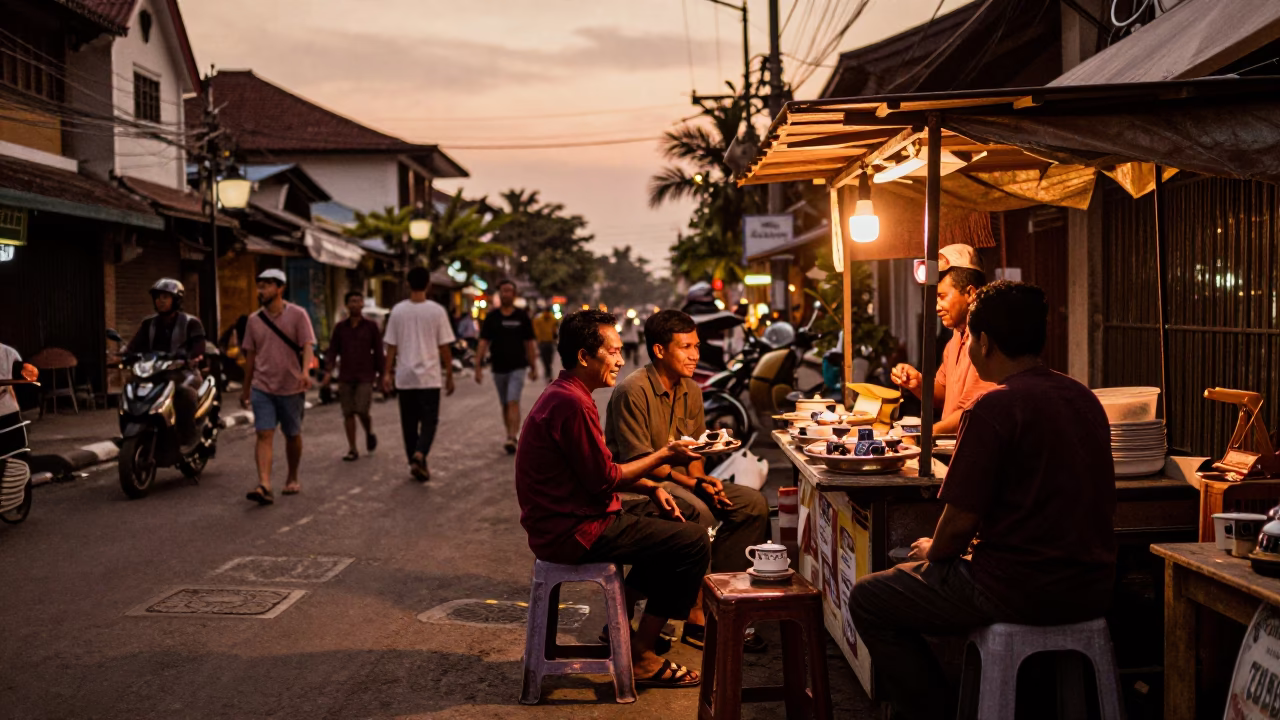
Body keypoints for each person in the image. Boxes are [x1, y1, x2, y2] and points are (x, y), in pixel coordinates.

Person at [848, 282, 1117, 720]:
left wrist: (934, 551)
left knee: (868, 597)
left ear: (985, 341)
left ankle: (937, 712)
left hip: (1014, 589)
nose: (967, 346)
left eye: (970, 337)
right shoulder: (1083, 398)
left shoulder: (993, 408)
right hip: (1093, 588)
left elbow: (959, 522)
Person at [516, 309, 709, 688]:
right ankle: (642, 655)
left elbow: (595, 473)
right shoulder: (572, 403)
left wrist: (652, 486)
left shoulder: (569, 395)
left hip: (575, 516)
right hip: (572, 530)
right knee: (693, 542)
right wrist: (666, 455)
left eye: (621, 350)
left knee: (677, 520)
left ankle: (628, 635)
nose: (621, 360)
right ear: (585, 356)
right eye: (613, 351)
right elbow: (605, 477)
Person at [605, 309, 770, 650]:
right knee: (700, 515)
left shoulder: (692, 390)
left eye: (697, 346)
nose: (695, 354)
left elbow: (696, 454)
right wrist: (692, 485)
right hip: (639, 490)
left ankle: (722, 605)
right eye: (685, 347)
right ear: (660, 350)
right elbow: (639, 464)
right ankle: (695, 616)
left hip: (680, 483)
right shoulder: (632, 391)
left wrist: (704, 481)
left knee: (752, 504)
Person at [890, 244, 996, 434]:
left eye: (942, 296)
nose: (937, 306)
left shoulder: (986, 342)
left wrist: (926, 435)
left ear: (971, 293)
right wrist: (918, 382)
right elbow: (942, 396)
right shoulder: (955, 339)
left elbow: (972, 412)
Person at [241, 268, 315, 505]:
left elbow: (307, 346)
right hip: (262, 387)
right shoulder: (254, 320)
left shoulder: (298, 315)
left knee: (292, 435)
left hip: (291, 387)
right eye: (259, 285)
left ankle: (292, 476)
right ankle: (264, 484)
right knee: (264, 433)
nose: (261, 290)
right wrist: (245, 389)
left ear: (280, 288)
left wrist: (305, 372)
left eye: (267, 285)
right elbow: (250, 357)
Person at [383, 266, 455, 482]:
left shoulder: (397, 311)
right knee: (429, 421)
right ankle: (420, 454)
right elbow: (444, 347)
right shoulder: (437, 311)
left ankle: (415, 459)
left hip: (405, 377)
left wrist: (387, 373)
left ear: (407, 284)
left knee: (409, 422)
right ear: (428, 285)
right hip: (429, 377)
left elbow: (392, 347)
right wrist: (449, 373)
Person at [125, 278, 206, 448]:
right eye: (157, 297)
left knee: (185, 394)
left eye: (165, 297)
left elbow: (199, 346)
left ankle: (188, 436)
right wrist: (123, 356)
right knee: (132, 388)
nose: (159, 301)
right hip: (155, 373)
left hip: (184, 373)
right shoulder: (149, 324)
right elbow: (134, 346)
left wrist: (192, 356)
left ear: (176, 300)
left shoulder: (191, 322)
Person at [475, 279, 537, 454]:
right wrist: (478, 366)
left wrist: (533, 366)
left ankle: (512, 436)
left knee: (513, 401)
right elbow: (483, 342)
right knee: (504, 403)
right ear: (499, 294)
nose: (506, 294)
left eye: (509, 291)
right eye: (503, 291)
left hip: (518, 366)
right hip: (498, 367)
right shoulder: (492, 318)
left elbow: (529, 343)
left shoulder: (522, 316)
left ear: (514, 294)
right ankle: (509, 432)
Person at [322, 291, 384, 462]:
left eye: (358, 301)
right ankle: (352, 448)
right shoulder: (340, 328)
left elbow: (378, 352)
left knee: (362, 410)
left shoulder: (371, 327)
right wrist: (328, 373)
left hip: (366, 375)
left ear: (363, 304)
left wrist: (382, 376)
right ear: (347, 305)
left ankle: (369, 432)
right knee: (348, 412)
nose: (355, 304)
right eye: (351, 301)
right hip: (346, 376)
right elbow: (333, 351)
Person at [532, 306, 558, 382]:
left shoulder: (553, 319)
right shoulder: (538, 320)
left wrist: (555, 339)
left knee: (549, 359)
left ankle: (548, 372)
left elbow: (554, 330)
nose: (547, 314)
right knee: (544, 358)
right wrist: (538, 340)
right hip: (542, 342)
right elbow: (536, 330)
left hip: (550, 342)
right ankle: (548, 372)